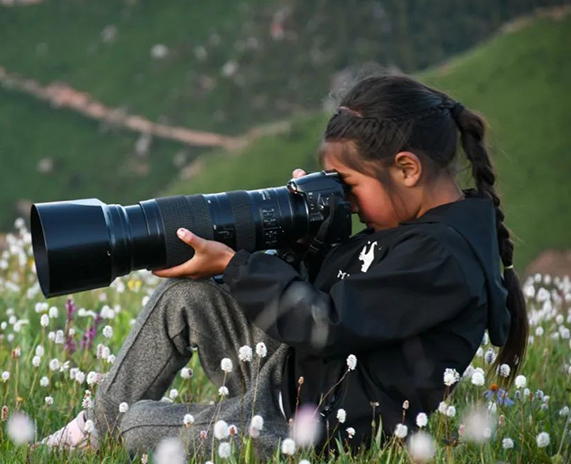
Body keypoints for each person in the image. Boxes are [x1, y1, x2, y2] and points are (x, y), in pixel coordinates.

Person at [38, 73, 528, 457]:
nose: (346, 200)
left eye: (349, 185)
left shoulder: (442, 258)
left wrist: (236, 267)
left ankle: (121, 429)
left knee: (139, 426)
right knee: (184, 298)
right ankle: (92, 431)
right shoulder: (406, 230)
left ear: (407, 168)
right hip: (293, 374)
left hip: (315, 429)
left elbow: (328, 323)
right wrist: (311, 237)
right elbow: (340, 296)